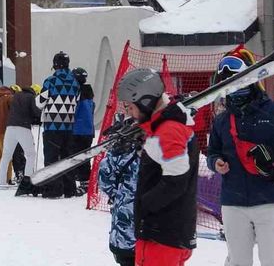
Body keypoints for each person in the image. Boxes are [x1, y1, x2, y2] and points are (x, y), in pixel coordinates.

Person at [207, 49, 274, 266]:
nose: (232, 86)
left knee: (273, 260)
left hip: (269, 199)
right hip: (233, 201)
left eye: (236, 78)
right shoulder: (222, 120)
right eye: (227, 81)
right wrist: (216, 162)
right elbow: (212, 152)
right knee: (237, 261)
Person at [118, 68, 198, 266]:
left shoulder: (169, 130)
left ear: (145, 100)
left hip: (161, 234)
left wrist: (144, 205)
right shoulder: (166, 126)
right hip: (168, 231)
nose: (128, 113)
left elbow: (176, 181)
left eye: (129, 107)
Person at [98, 114, 144, 266]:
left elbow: (105, 178)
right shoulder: (160, 150)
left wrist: (119, 196)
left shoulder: (120, 151)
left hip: (125, 235)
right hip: (144, 234)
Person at [35, 51, 79, 198]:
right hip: (69, 126)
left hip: (52, 125)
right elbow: (76, 101)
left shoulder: (50, 81)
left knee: (52, 158)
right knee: (67, 157)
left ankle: (53, 190)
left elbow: (39, 102)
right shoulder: (75, 82)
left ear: (54, 65)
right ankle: (69, 189)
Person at [0, 84, 40, 186]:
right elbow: (35, 112)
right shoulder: (31, 97)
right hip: (23, 127)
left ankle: (0, 182)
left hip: (10, 127)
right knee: (30, 154)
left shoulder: (16, 96)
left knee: (6, 156)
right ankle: (27, 181)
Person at [71, 67, 95, 196]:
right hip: (88, 130)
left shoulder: (76, 93)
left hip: (77, 130)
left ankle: (83, 181)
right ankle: (85, 181)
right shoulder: (89, 93)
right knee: (84, 156)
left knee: (77, 157)